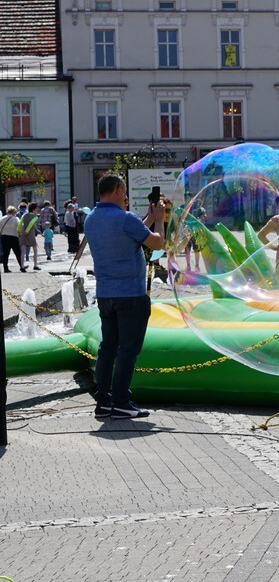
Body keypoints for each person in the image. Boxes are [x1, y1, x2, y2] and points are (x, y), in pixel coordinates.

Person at [85, 173, 165, 420]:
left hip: (106, 295)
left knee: (107, 348)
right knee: (128, 350)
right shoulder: (126, 219)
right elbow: (158, 244)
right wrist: (159, 220)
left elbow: (124, 235)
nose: (126, 196)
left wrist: (148, 219)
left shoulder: (91, 219)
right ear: (119, 189)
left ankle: (104, 401)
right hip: (131, 295)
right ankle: (121, 401)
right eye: (125, 191)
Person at [0, 206, 24, 273]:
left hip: (4, 237)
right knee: (18, 253)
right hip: (14, 237)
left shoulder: (2, 218)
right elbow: (21, 226)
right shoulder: (16, 219)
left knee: (5, 254)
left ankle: (5, 268)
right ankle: (22, 267)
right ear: (14, 212)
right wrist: (20, 233)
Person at [17, 202, 41, 271]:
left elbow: (20, 223)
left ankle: (22, 266)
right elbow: (31, 224)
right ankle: (35, 265)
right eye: (36, 209)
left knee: (23, 251)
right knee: (35, 250)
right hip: (30, 234)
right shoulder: (35, 216)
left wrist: (18, 231)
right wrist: (27, 231)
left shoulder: (24, 215)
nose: (37, 210)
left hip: (23, 234)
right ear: (34, 209)